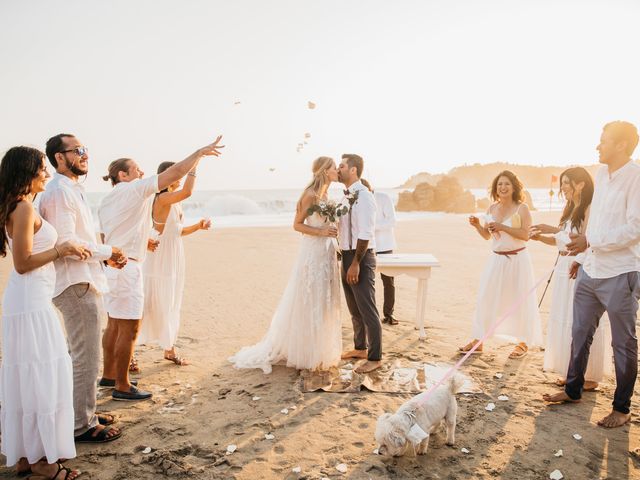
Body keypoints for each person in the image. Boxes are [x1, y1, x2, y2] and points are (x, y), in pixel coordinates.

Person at [98, 136, 224, 401]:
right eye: (136, 170)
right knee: (130, 328)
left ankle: (109, 375)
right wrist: (198, 154)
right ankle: (122, 385)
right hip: (127, 267)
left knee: (113, 324)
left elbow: (106, 236)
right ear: (123, 175)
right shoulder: (133, 190)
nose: (142, 173)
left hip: (112, 266)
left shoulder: (107, 199)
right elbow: (175, 173)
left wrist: (140, 241)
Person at [0, 146, 90, 479]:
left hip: (27, 301)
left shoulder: (21, 206)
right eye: (42, 167)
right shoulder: (23, 208)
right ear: (27, 171)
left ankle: (26, 456)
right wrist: (60, 248)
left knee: (29, 377)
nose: (47, 173)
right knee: (41, 376)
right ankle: (42, 465)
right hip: (31, 303)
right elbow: (22, 264)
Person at [543, 121, 640, 428]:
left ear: (622, 145)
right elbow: (594, 223)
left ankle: (622, 408)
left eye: (603, 141)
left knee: (623, 343)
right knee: (580, 332)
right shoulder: (601, 175)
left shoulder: (636, 178)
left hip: (621, 273)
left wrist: (591, 242)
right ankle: (573, 390)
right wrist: (583, 255)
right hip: (591, 268)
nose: (598, 146)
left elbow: (635, 229)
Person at [39, 133, 124, 444]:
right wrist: (109, 252)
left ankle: (83, 411)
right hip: (73, 283)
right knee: (85, 356)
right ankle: (81, 425)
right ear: (60, 157)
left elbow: (79, 237)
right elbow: (66, 243)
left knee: (81, 354)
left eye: (86, 149)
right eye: (78, 150)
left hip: (82, 278)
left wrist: (104, 258)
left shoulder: (70, 190)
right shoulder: (59, 193)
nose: (85, 155)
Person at [229, 157, 342, 373]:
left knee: (323, 299)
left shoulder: (326, 195)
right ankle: (306, 352)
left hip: (326, 253)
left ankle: (319, 348)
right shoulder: (310, 195)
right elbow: (297, 225)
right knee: (310, 298)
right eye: (334, 167)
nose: (337, 170)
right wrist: (321, 232)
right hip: (313, 254)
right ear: (324, 171)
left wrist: (333, 230)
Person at [530, 167, 612, 389]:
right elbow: (561, 241)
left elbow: (587, 241)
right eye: (562, 183)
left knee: (581, 321)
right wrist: (540, 238)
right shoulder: (570, 208)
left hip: (580, 266)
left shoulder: (589, 208)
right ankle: (573, 371)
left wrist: (552, 230)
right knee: (566, 318)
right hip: (563, 267)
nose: (563, 187)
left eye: (567, 183)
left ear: (581, 184)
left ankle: (589, 375)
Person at [459, 170, 542, 358]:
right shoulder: (491, 209)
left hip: (518, 260)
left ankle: (523, 342)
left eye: (506, 184)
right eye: (499, 184)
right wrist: (478, 226)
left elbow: (525, 235)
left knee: (520, 299)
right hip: (496, 259)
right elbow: (488, 235)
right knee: (486, 298)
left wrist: (503, 226)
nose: (503, 187)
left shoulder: (522, 208)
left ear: (514, 187)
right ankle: (478, 340)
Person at [138, 160, 212, 365]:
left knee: (170, 300)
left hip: (173, 255)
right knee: (150, 302)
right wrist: (194, 166)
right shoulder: (162, 198)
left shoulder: (174, 201)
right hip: (159, 257)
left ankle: (169, 348)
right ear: (168, 176)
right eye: (178, 174)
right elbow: (188, 191)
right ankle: (129, 355)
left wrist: (198, 226)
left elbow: (177, 231)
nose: (180, 178)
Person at [338, 154, 383, 374]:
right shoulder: (346, 196)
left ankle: (375, 358)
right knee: (354, 307)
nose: (338, 169)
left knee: (367, 308)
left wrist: (355, 262)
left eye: (342, 166)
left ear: (353, 170)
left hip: (360, 257)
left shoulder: (364, 196)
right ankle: (360, 348)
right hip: (346, 255)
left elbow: (366, 232)